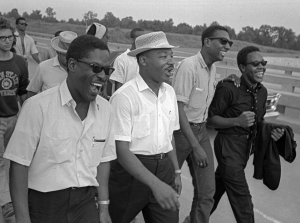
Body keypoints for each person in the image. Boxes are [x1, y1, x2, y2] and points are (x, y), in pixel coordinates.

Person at [4, 35, 116, 223]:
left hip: (86, 204)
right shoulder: (37, 107)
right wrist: (22, 218)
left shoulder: (106, 110)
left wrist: (103, 208)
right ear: (72, 65)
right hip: (44, 206)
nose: (103, 76)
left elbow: (104, 161)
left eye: (107, 70)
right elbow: (19, 165)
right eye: (96, 68)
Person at [109, 31, 181, 223]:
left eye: (171, 56)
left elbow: (170, 136)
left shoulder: (170, 93)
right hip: (130, 173)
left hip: (164, 169)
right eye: (163, 56)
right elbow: (121, 150)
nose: (170, 62)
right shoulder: (124, 97)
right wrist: (155, 185)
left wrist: (176, 171)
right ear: (143, 60)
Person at [208, 46, 284, 223]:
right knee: (243, 202)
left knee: (214, 192)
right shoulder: (228, 89)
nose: (261, 67)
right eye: (255, 63)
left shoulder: (262, 91)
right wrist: (237, 121)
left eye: (263, 63)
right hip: (228, 147)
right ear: (242, 68)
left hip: (244, 149)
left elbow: (259, 121)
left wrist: (272, 132)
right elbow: (211, 120)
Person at [172, 25, 236, 223]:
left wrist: (225, 82)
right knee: (167, 187)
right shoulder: (188, 66)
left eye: (230, 43)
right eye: (223, 41)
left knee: (207, 193)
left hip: (200, 130)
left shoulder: (213, 68)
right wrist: (195, 146)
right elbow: (178, 109)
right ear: (207, 42)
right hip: (182, 133)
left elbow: (203, 97)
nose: (227, 46)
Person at [0, 17, 29, 223]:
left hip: (13, 117)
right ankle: (6, 204)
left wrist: (24, 116)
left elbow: (22, 92)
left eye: (10, 37)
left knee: (12, 161)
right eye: (2, 38)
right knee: (1, 161)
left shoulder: (19, 62)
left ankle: (11, 195)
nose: (7, 41)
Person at [26, 31, 77, 99]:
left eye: (72, 55)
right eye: (65, 55)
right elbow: (31, 93)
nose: (70, 59)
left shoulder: (81, 69)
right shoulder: (43, 67)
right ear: (57, 52)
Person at [109, 28, 145, 92]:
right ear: (132, 40)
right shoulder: (121, 60)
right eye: (140, 38)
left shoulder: (146, 60)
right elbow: (118, 88)